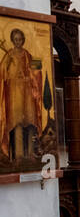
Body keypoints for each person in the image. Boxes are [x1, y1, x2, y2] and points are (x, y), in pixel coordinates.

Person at [0, 27, 44, 162]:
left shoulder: (29, 55)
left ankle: (30, 154)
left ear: (23, 40)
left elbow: (38, 72)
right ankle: (18, 156)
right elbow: (2, 75)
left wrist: (30, 77)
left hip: (27, 95)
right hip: (14, 96)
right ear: (13, 41)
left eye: (20, 40)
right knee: (16, 124)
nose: (18, 42)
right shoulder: (8, 56)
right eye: (15, 40)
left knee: (30, 123)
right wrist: (12, 76)